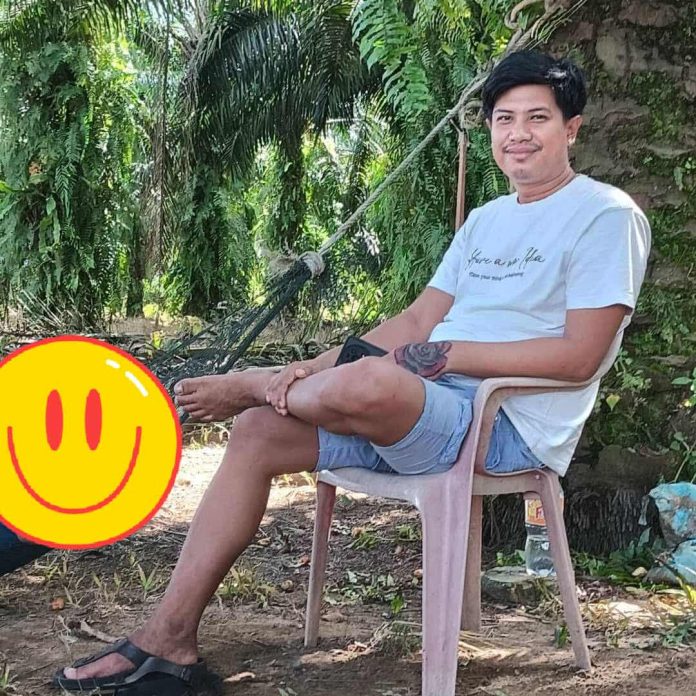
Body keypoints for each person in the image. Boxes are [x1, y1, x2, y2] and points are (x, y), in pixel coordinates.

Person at [54, 50, 651, 693]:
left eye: (538, 118)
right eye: (504, 119)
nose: (518, 134)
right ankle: (168, 638)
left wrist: (449, 356)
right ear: (489, 130)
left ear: (571, 128)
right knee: (257, 431)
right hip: (416, 405)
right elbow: (415, 322)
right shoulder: (486, 221)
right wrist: (306, 367)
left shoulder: (605, 215)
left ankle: (254, 385)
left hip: (502, 424)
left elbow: (579, 357)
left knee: (372, 380)